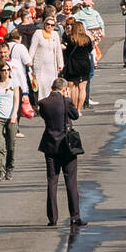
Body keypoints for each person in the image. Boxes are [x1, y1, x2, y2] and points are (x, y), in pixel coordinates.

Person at [38, 79, 85, 227]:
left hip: (50, 144)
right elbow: (75, 115)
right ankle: (75, 216)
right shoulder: (66, 101)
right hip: (67, 146)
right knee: (71, 181)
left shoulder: (43, 103)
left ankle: (52, 218)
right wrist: (68, 98)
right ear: (64, 89)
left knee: (52, 181)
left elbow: (46, 118)